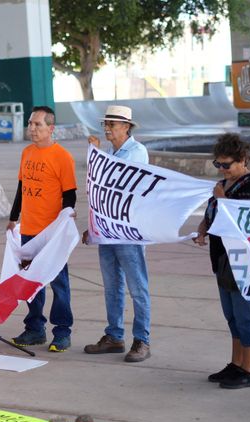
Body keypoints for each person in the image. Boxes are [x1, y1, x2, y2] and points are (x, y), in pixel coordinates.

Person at [195, 133, 250, 389]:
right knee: (232, 316)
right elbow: (212, 213)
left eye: (227, 165)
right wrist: (203, 227)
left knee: (246, 314)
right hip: (222, 260)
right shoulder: (222, 185)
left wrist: (223, 199)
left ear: (243, 160)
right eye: (218, 164)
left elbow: (248, 221)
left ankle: (249, 370)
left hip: (244, 262)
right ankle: (236, 364)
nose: (222, 169)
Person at [82, 105, 152, 362]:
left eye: (112, 124)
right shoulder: (113, 151)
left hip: (127, 230)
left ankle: (142, 339)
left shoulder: (136, 152)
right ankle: (114, 335)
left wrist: (96, 155)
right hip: (108, 228)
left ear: (126, 127)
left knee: (137, 287)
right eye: (106, 124)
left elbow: (117, 181)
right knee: (112, 286)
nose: (107, 129)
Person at [7, 106, 77, 352]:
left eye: (38, 124)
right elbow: (21, 187)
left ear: (51, 128)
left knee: (59, 283)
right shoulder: (27, 153)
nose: (32, 129)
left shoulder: (62, 157)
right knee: (31, 282)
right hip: (29, 229)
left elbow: (70, 195)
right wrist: (13, 217)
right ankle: (35, 329)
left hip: (52, 233)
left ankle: (62, 331)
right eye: (30, 123)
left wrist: (64, 222)